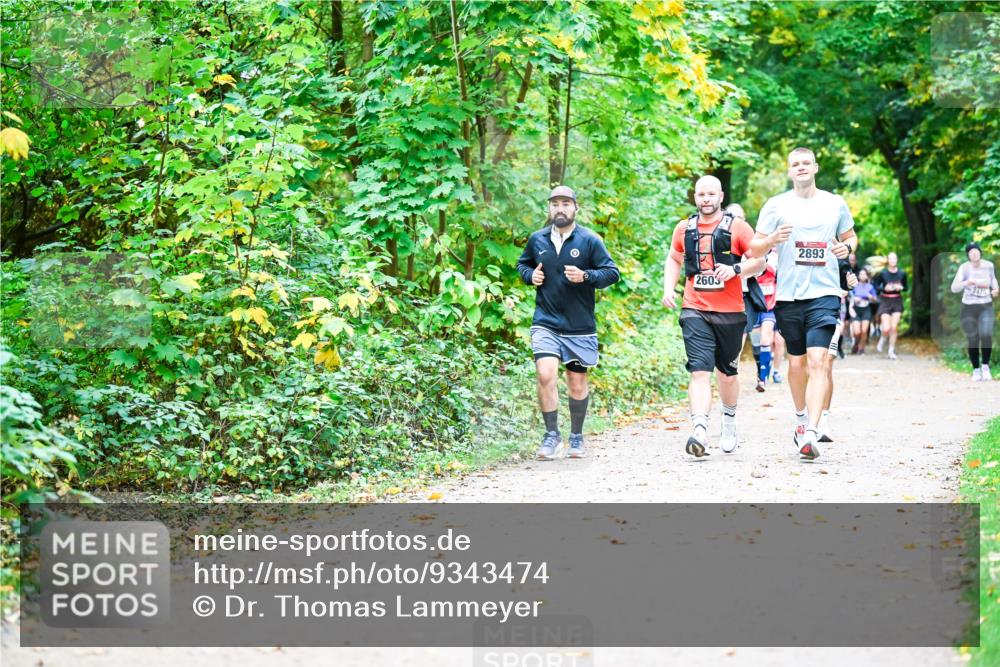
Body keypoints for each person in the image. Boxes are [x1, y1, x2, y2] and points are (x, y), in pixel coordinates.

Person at [751, 147, 858, 461]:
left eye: (805, 163)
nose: (801, 167)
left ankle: (812, 431)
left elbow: (851, 237)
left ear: (816, 167)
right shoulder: (776, 205)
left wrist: (846, 249)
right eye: (795, 164)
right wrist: (772, 240)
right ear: (789, 170)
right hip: (788, 296)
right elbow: (755, 247)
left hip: (824, 294)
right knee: (796, 364)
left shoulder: (834, 203)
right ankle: (800, 419)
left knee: (818, 361)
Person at [517, 185, 621, 459]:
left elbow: (612, 273)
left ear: (576, 208)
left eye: (565, 204)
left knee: (576, 382)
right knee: (545, 373)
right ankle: (551, 435)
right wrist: (530, 277)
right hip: (546, 322)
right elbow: (523, 265)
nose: (559, 209)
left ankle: (576, 436)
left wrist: (586, 276)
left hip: (579, 326)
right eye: (554, 204)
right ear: (549, 209)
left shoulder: (589, 240)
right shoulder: (537, 240)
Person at [663, 177, 763, 457]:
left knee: (727, 374)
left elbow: (760, 260)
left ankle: (728, 421)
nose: (706, 199)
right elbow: (674, 258)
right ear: (695, 197)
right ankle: (699, 430)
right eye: (700, 194)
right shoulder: (684, 228)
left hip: (731, 312)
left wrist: (736, 270)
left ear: (720, 195)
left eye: (711, 194)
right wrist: (669, 288)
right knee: (699, 371)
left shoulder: (738, 228)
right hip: (695, 308)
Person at [951, 242, 998, 381]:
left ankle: (985, 367)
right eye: (970, 252)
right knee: (973, 338)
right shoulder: (964, 268)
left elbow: (993, 279)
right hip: (969, 307)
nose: (974, 253)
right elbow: (954, 288)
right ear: (968, 255)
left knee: (986, 334)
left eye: (976, 251)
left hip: (985, 305)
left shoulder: (989, 265)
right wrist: (966, 283)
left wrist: (996, 289)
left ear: (980, 252)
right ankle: (976, 370)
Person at [873, 252, 907, 360]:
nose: (893, 261)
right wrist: (884, 288)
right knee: (886, 328)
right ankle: (883, 338)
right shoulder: (882, 273)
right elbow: (876, 287)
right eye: (891, 259)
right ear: (888, 260)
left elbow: (906, 288)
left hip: (897, 300)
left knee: (894, 327)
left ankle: (891, 350)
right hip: (885, 300)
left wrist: (900, 288)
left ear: (897, 260)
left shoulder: (902, 273)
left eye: (894, 258)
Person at [849, 268, 878, 354]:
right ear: (858, 276)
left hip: (866, 309)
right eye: (861, 274)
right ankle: (856, 345)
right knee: (857, 332)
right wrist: (854, 299)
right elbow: (849, 296)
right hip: (856, 309)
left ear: (867, 276)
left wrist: (871, 297)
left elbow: (876, 300)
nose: (862, 276)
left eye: (864, 274)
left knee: (864, 331)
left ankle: (861, 348)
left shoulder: (870, 287)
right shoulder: (854, 286)